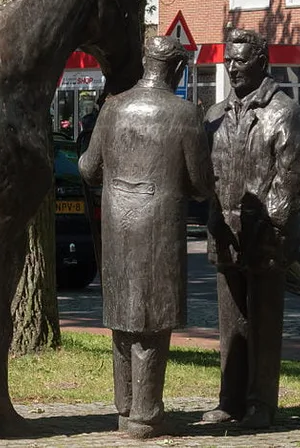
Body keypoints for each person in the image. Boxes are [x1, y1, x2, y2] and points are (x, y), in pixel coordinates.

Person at [79, 36, 213, 438]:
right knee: (153, 321)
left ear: (145, 63)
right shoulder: (185, 113)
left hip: (118, 225)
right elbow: (201, 183)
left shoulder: (113, 107)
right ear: (175, 69)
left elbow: (87, 168)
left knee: (123, 317)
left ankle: (125, 408)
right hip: (159, 226)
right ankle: (146, 412)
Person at [202, 28, 300, 428]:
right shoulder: (214, 115)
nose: (232, 67)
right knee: (231, 321)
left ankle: (261, 402)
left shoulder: (284, 112)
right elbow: (206, 173)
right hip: (226, 231)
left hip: (266, 236)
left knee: (263, 321)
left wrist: (270, 227)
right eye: (229, 60)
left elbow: (291, 178)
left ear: (262, 62)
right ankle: (229, 399)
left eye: (241, 60)